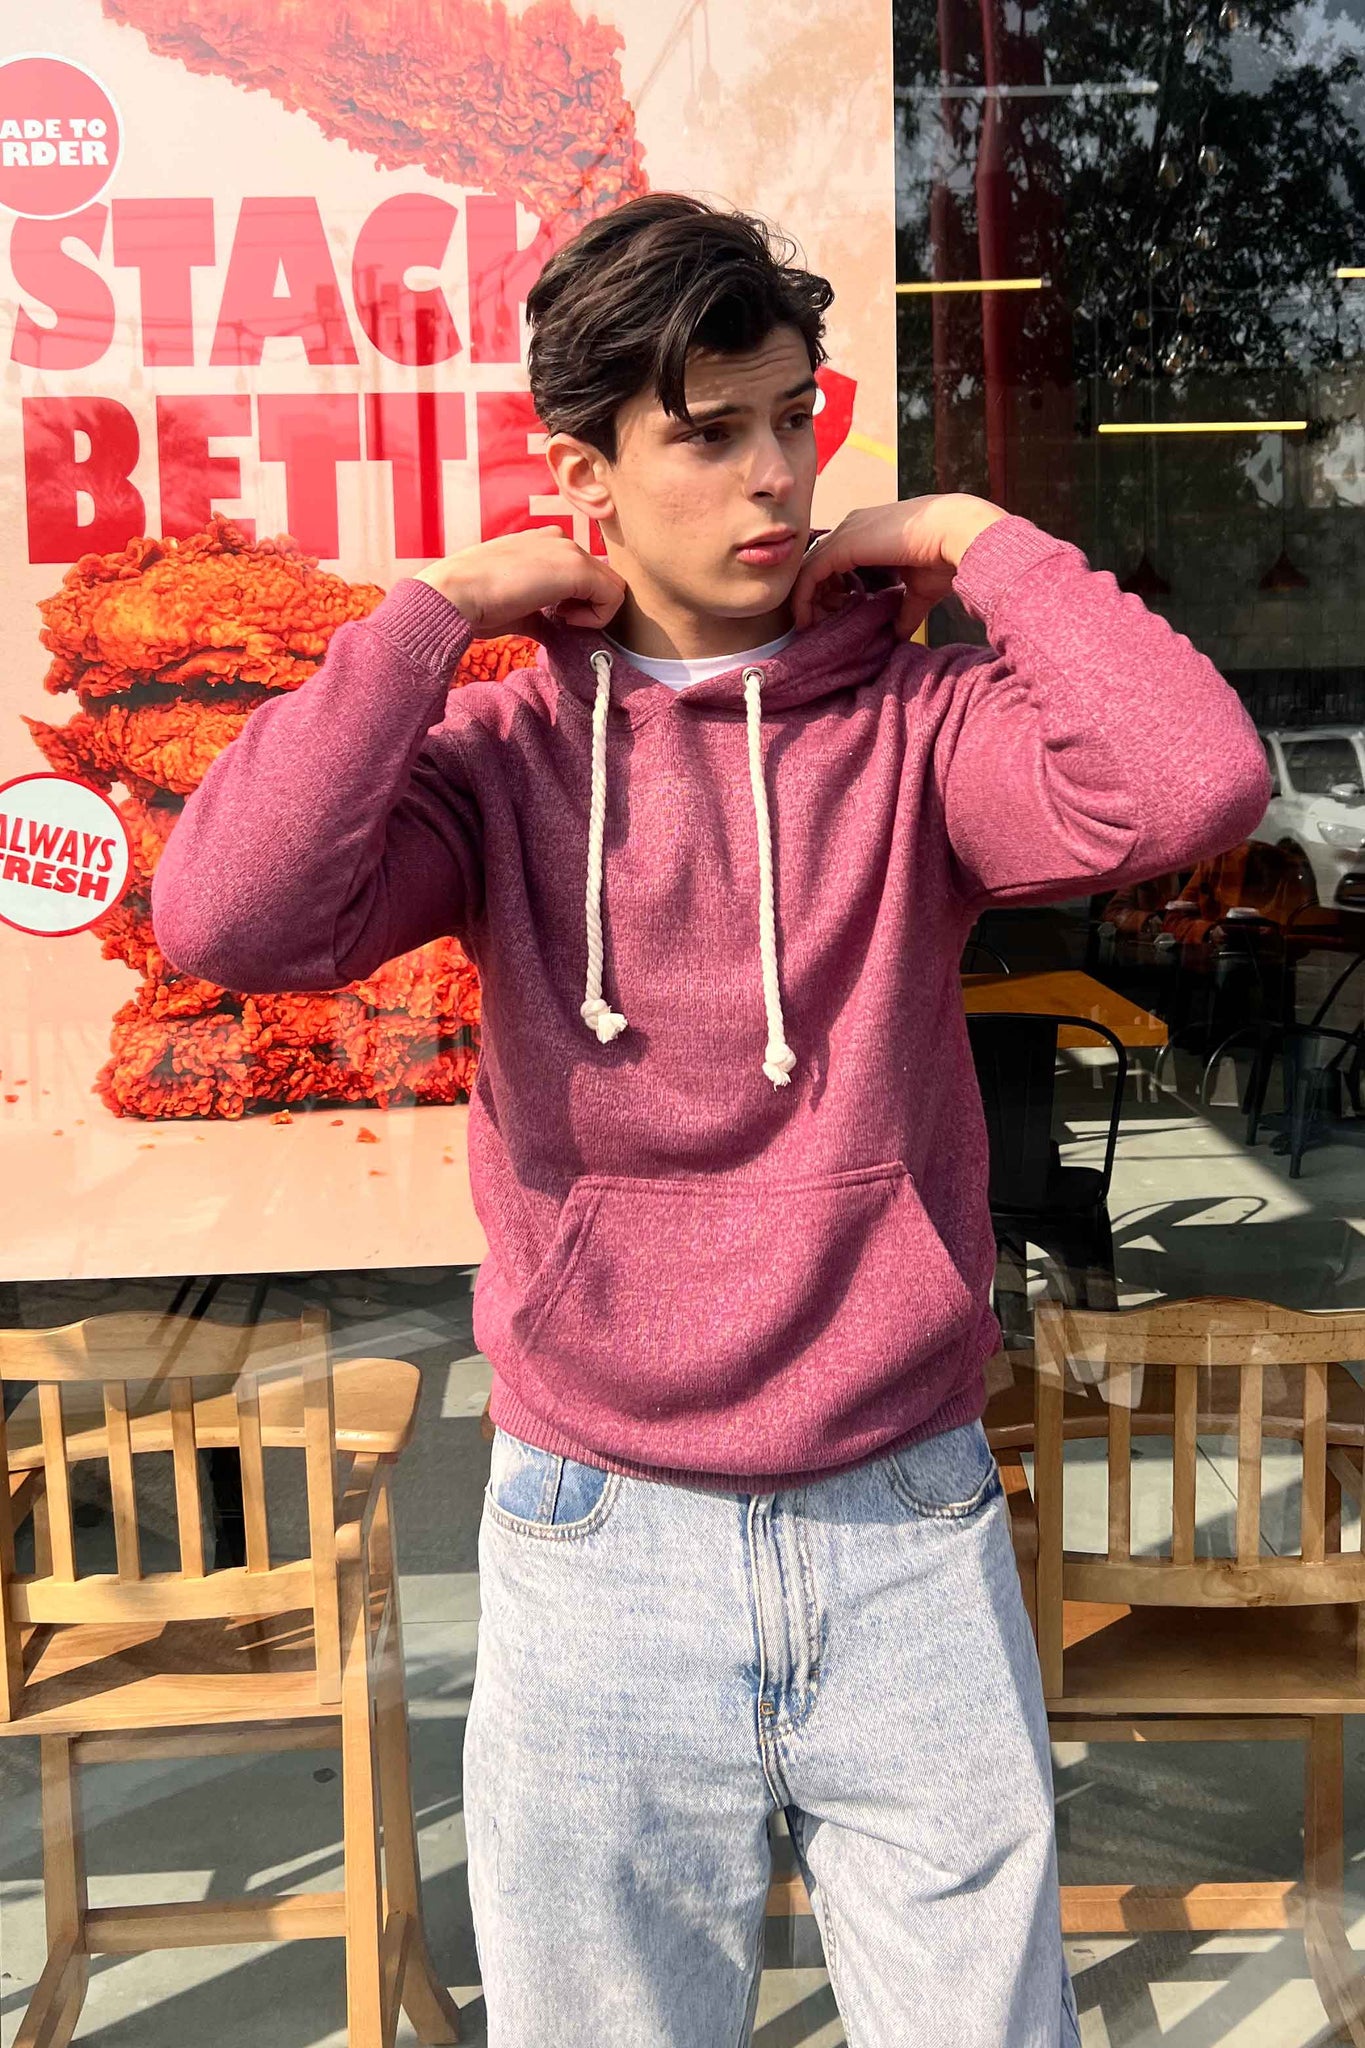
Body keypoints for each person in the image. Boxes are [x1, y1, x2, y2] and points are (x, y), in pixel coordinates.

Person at [150, 192, 1271, 2046]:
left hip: (903, 1511)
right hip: (597, 1533)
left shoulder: (917, 731)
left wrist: (971, 536)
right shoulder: (500, 764)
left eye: (791, 419)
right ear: (581, 474)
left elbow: (1192, 782)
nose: (771, 475)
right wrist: (441, 610)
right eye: (704, 432)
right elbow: (227, 917)